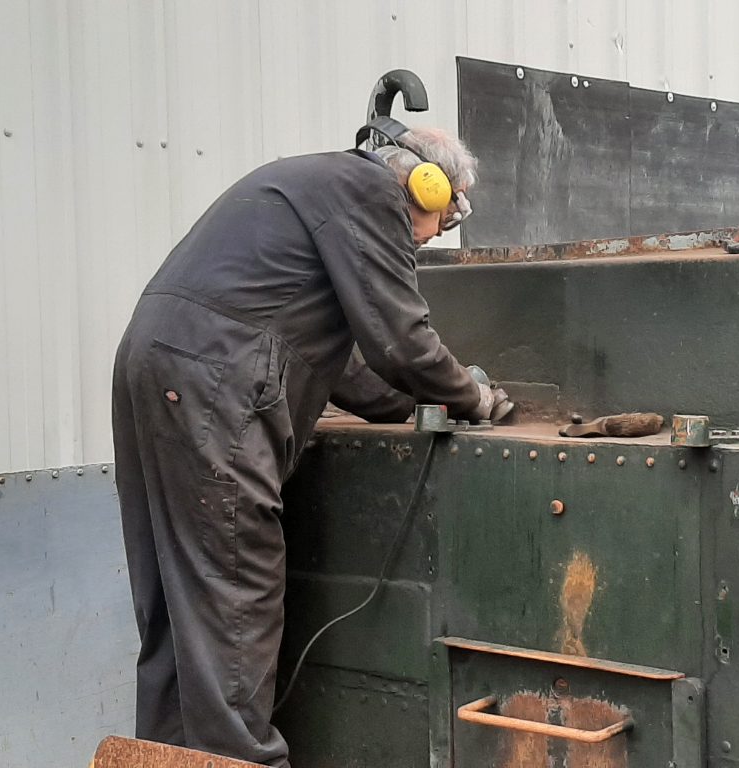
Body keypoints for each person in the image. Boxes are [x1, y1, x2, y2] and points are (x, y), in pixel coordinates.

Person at [111, 124, 508, 767]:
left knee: (175, 600)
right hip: (215, 378)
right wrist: (474, 398)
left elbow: (347, 367)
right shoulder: (373, 194)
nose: (435, 234)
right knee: (234, 592)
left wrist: (420, 403)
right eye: (445, 213)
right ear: (424, 182)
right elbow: (401, 340)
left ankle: (166, 757)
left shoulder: (316, 186)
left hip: (156, 362)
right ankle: (245, 763)